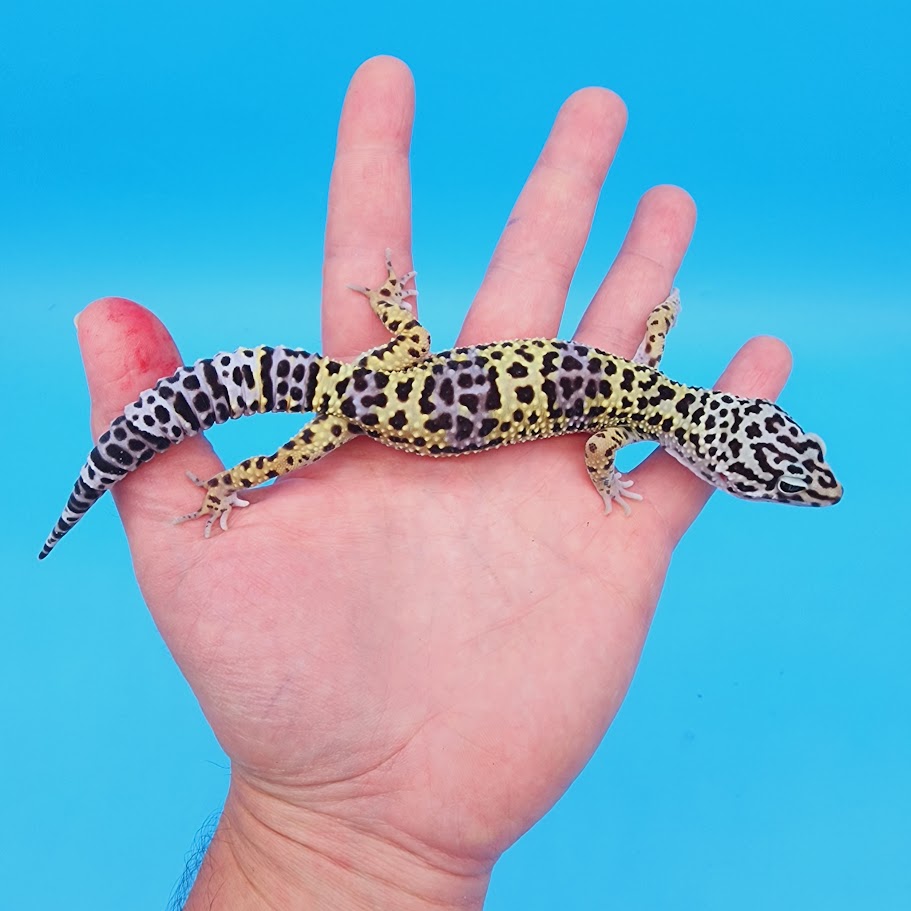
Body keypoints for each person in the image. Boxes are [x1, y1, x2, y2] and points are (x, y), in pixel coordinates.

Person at [76, 56, 790, 909]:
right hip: (366, 408)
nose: (782, 483)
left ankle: (255, 453)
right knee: (296, 451)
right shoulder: (636, 414)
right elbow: (603, 448)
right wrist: (601, 478)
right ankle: (233, 482)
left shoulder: (650, 389)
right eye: (773, 473)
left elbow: (638, 371)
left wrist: (401, 313)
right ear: (716, 448)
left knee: (307, 428)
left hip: (391, 374)